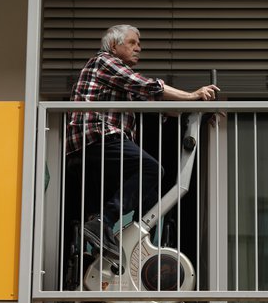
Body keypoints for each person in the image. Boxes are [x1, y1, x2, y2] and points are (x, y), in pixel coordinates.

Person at [65, 24, 219, 260]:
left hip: (102, 141)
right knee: (151, 169)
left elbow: (158, 105)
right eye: (133, 43)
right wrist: (192, 95)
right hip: (96, 137)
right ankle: (103, 222)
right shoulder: (104, 61)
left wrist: (199, 112)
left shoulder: (116, 78)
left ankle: (126, 247)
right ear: (115, 45)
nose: (139, 48)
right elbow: (147, 86)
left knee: (150, 197)